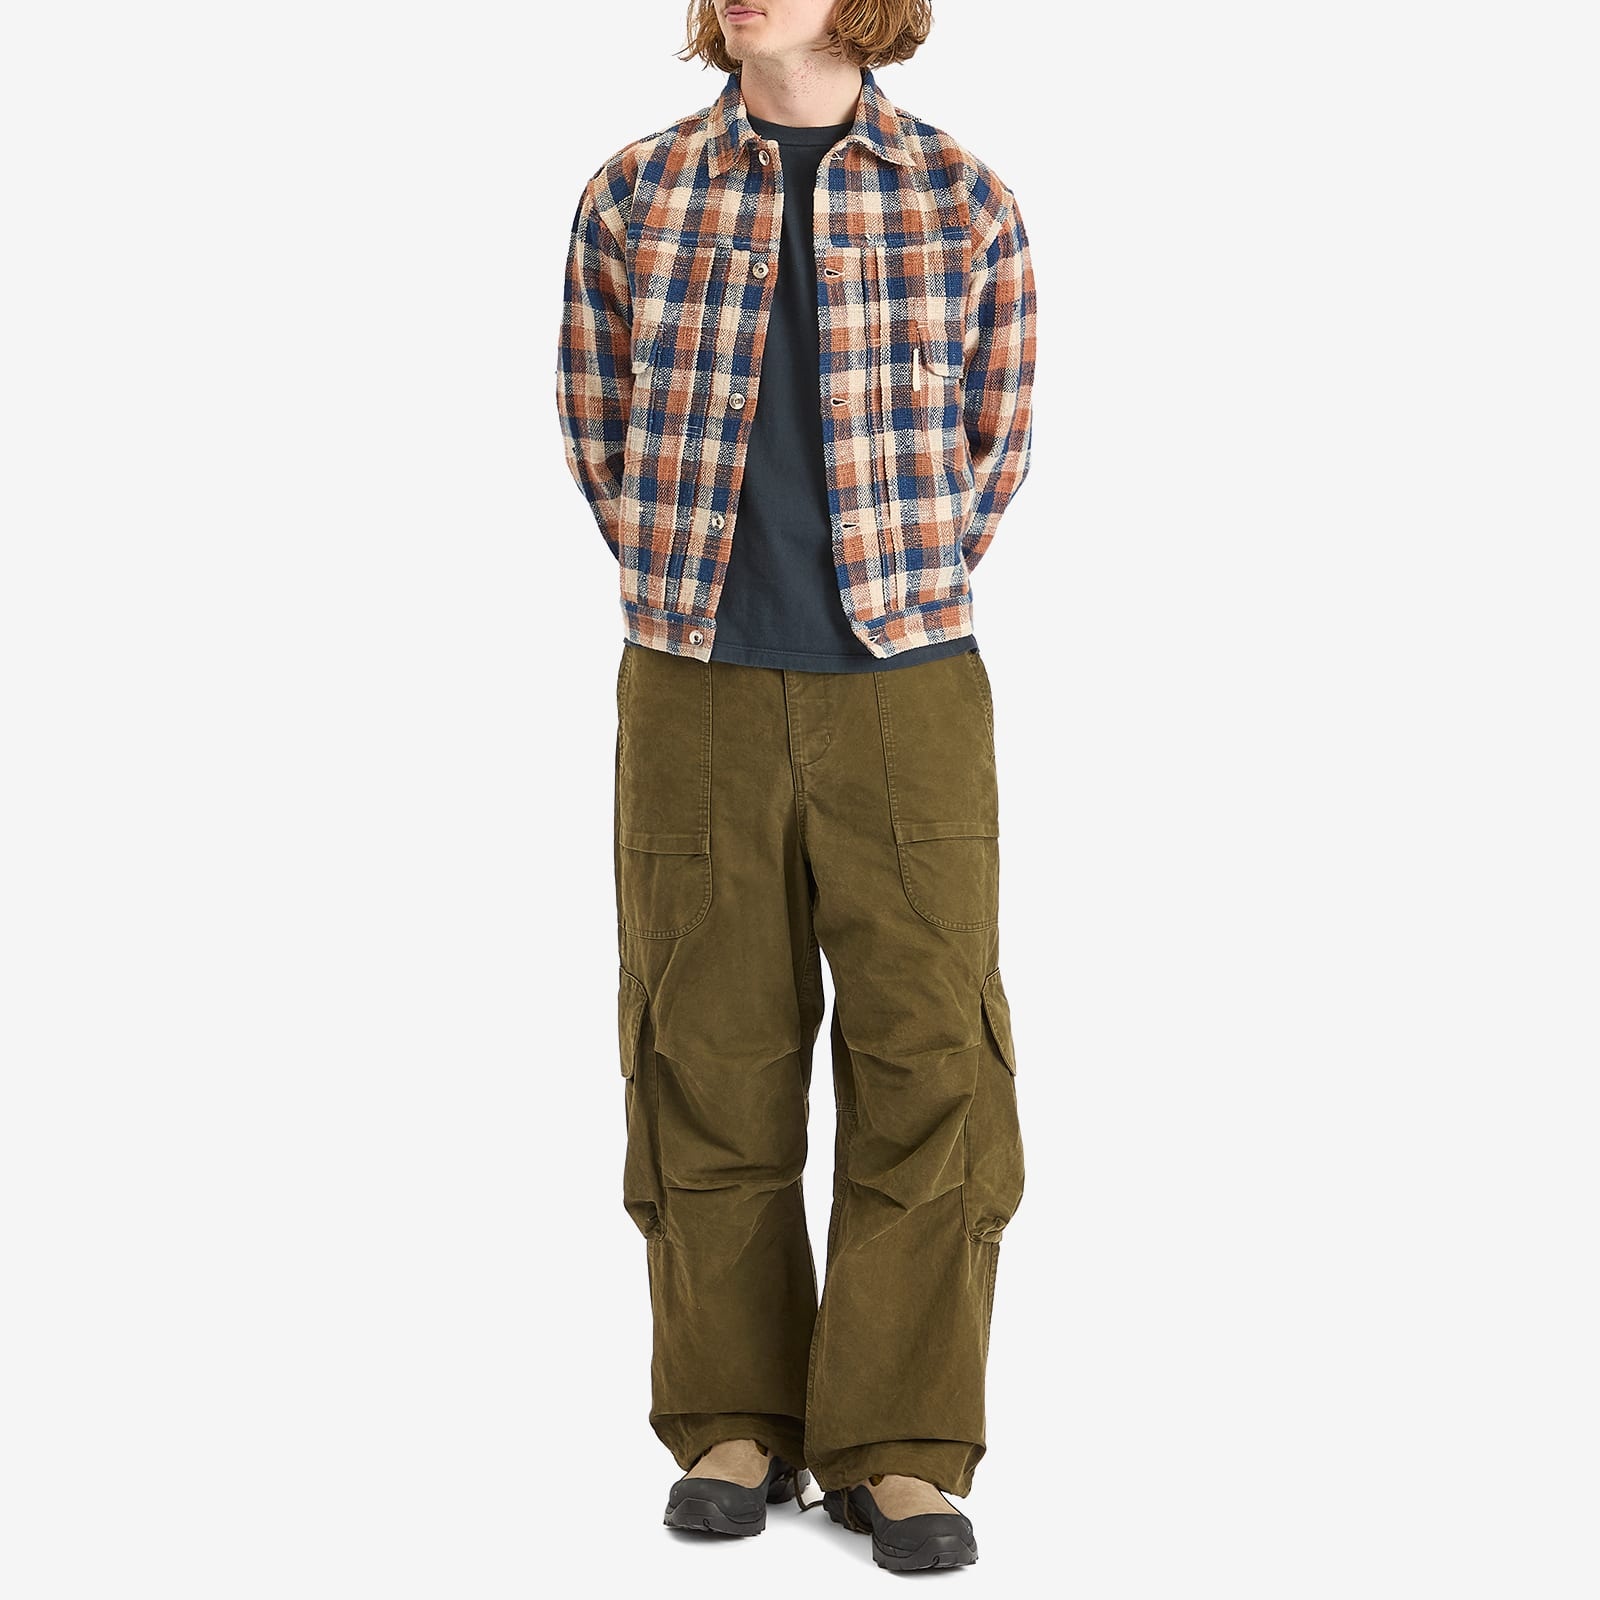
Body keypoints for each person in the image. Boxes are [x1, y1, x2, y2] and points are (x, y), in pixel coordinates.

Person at [556, 0, 1035, 1572]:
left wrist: (896, 584)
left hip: (908, 688)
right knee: (702, 1046)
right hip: (690, 684)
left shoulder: (959, 198)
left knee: (930, 1056)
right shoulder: (635, 192)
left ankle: (897, 1444)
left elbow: (994, 437)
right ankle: (734, 1419)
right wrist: (686, 581)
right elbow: (597, 422)